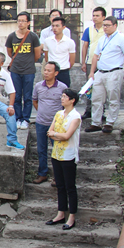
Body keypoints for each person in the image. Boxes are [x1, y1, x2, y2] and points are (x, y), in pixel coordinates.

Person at [85, 16, 124, 133]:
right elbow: (96, 56)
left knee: (113, 98)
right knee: (97, 98)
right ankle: (95, 123)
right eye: (104, 25)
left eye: (107, 25)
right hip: (101, 72)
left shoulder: (122, 38)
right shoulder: (103, 39)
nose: (105, 27)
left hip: (114, 71)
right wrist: (92, 72)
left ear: (115, 25)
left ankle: (110, 122)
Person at [45, 88, 81, 230]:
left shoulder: (75, 116)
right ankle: (60, 213)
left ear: (72, 100)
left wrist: (56, 134)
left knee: (70, 186)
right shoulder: (59, 114)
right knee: (60, 185)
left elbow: (67, 136)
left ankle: (71, 217)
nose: (62, 98)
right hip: (57, 154)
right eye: (62, 96)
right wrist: (56, 134)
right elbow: (49, 132)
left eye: (65, 97)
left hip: (69, 155)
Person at [32, 61, 67, 184]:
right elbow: (35, 101)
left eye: (49, 71)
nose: (46, 73)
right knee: (41, 149)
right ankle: (42, 174)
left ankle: (58, 177)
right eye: (45, 70)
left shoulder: (62, 87)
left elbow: (66, 105)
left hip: (56, 125)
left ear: (56, 73)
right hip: (41, 122)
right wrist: (42, 112)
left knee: (57, 150)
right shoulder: (38, 86)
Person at [5, 11, 41, 130]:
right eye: (19, 20)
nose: (20, 23)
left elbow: (37, 55)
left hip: (29, 71)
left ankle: (26, 119)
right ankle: (17, 118)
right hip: (15, 70)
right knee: (16, 95)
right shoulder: (11, 36)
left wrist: (28, 62)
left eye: (23, 21)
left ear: (28, 23)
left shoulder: (33, 37)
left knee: (27, 96)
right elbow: (10, 52)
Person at [80, 7, 107, 120]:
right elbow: (85, 46)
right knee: (89, 87)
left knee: (102, 88)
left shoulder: (107, 30)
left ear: (103, 17)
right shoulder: (89, 30)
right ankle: (89, 110)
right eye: (93, 15)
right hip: (91, 62)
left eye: (97, 15)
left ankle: (102, 111)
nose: (95, 18)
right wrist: (84, 62)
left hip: (104, 63)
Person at [43, 17, 76, 87]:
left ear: (63, 27)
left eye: (57, 26)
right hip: (51, 72)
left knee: (65, 93)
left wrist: (65, 67)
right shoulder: (47, 41)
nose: (54, 28)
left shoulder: (70, 42)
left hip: (64, 71)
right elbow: (46, 57)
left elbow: (72, 60)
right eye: (53, 26)